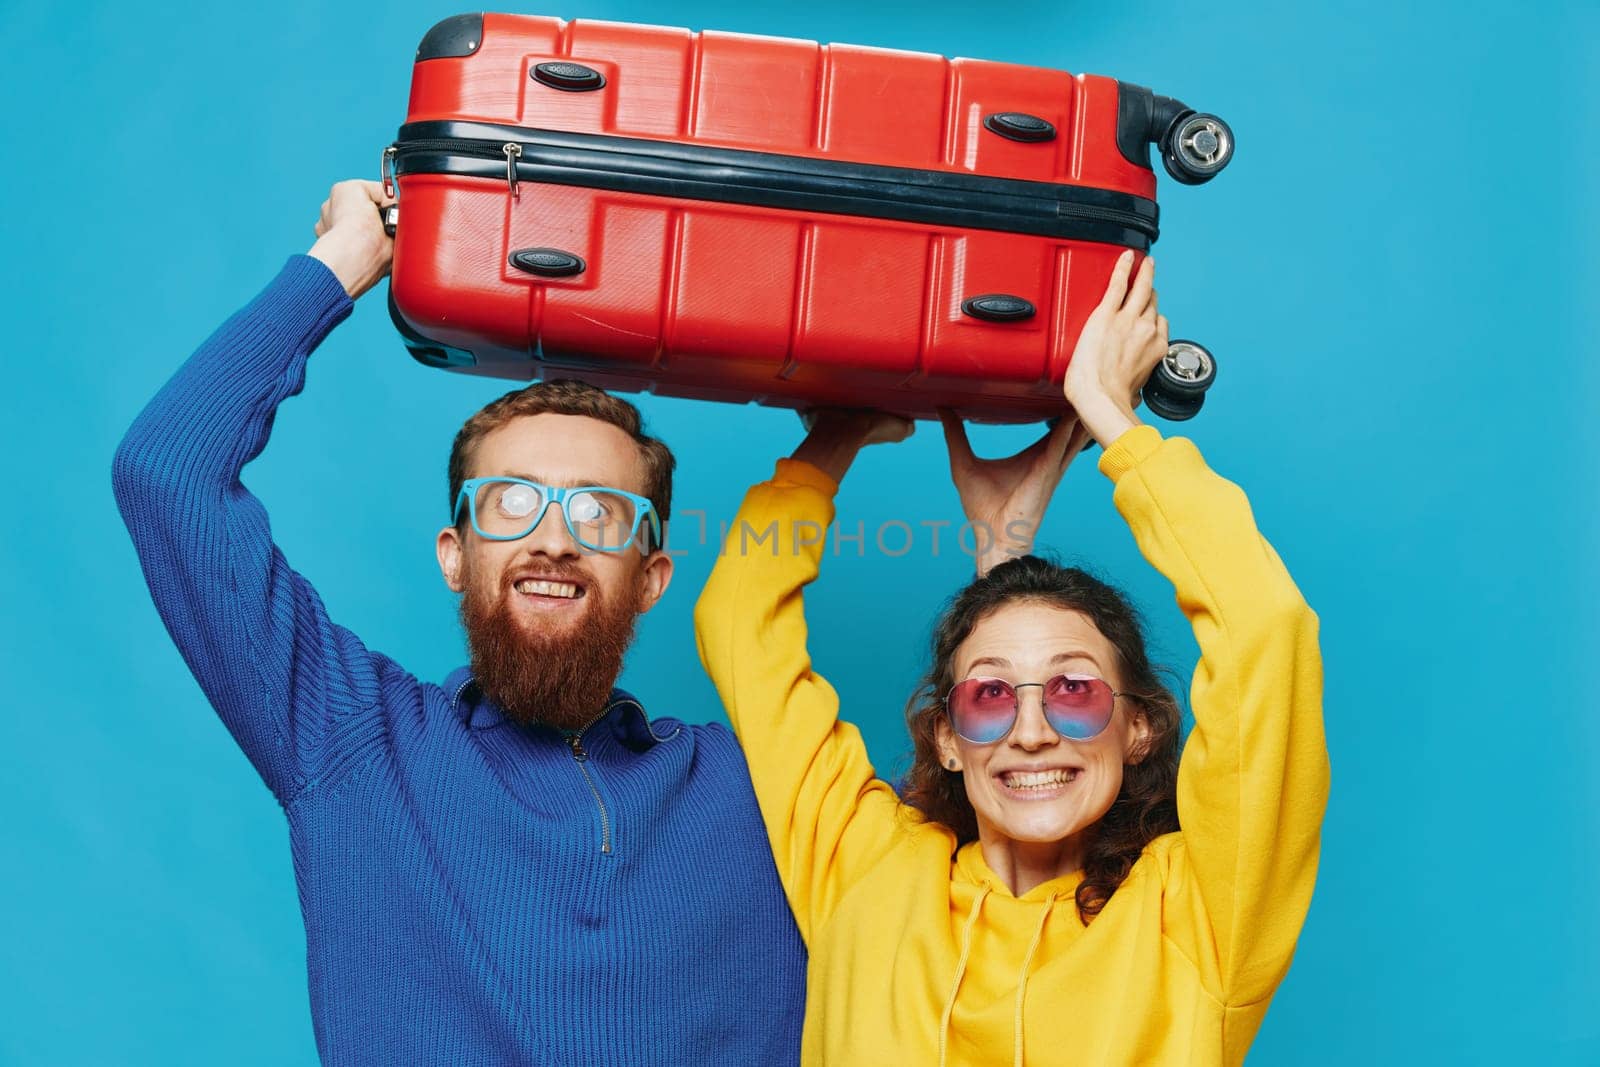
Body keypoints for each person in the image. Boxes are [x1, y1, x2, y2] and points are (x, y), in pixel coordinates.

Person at [112, 180, 806, 1065]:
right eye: (511, 504)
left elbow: (997, 829)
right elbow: (165, 474)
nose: (553, 540)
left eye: (598, 513)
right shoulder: (355, 741)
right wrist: (340, 266)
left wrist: (982, 542)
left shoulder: (757, 786)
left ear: (651, 578)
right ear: (453, 555)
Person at [694, 251, 1330, 1066]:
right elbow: (740, 615)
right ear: (948, 738)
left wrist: (1114, 423)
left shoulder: (1199, 910)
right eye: (991, 696)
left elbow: (1265, 629)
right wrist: (837, 434)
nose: (1031, 730)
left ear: (1137, 727)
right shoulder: (868, 870)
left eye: (1074, 689)